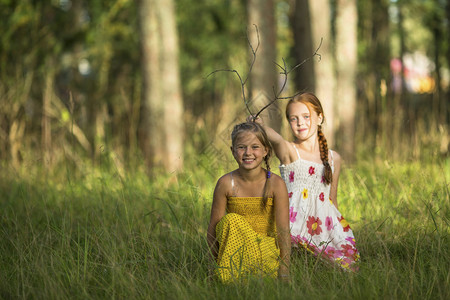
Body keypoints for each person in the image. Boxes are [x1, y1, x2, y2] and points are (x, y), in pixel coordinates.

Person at [251, 92, 359, 271]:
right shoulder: (290, 151)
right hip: (294, 225)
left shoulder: (334, 158)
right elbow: (276, 138)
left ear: (320, 118)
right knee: (288, 257)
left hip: (323, 227)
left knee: (344, 267)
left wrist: (339, 232)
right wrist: (259, 126)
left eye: (306, 116)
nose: (300, 123)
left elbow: (332, 199)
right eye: (293, 119)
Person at [207, 122, 291, 282]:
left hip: (265, 252)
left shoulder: (276, 184)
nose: (248, 153)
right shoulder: (226, 183)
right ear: (232, 151)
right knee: (229, 221)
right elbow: (213, 229)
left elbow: (283, 230)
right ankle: (229, 277)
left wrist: (285, 269)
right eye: (241, 147)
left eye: (255, 147)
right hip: (235, 253)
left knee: (233, 222)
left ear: (266, 151)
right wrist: (213, 266)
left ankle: (255, 275)